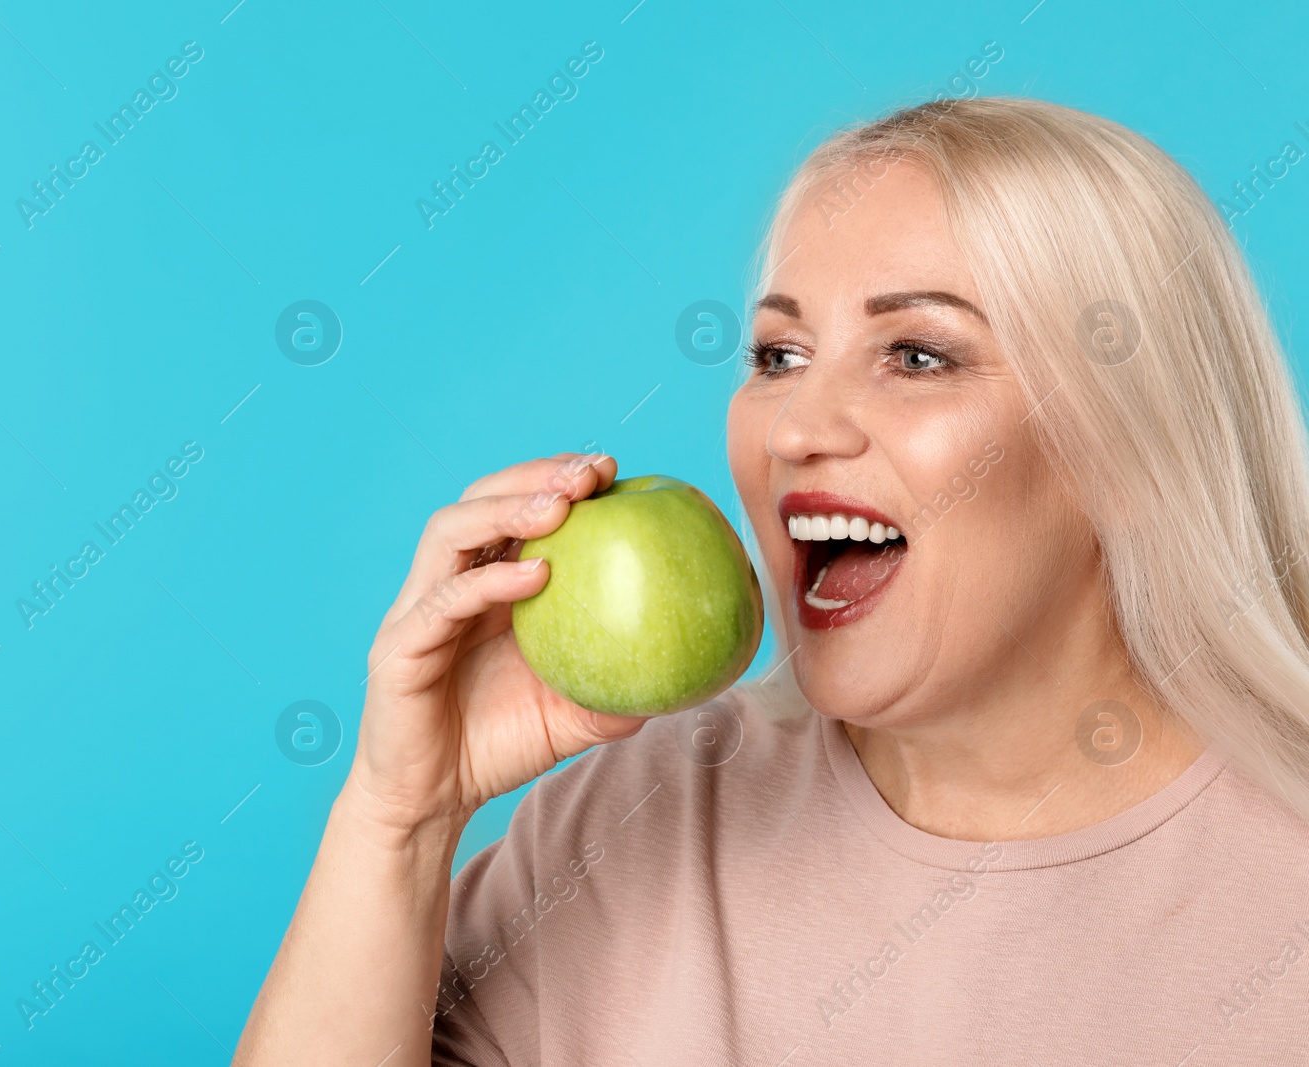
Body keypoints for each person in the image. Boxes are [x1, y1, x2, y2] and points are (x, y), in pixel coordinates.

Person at [234, 97, 1309, 1065]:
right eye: (779, 356)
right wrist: (400, 816)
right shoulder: (638, 813)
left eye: (916, 355)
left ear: (1128, 447)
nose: (795, 428)